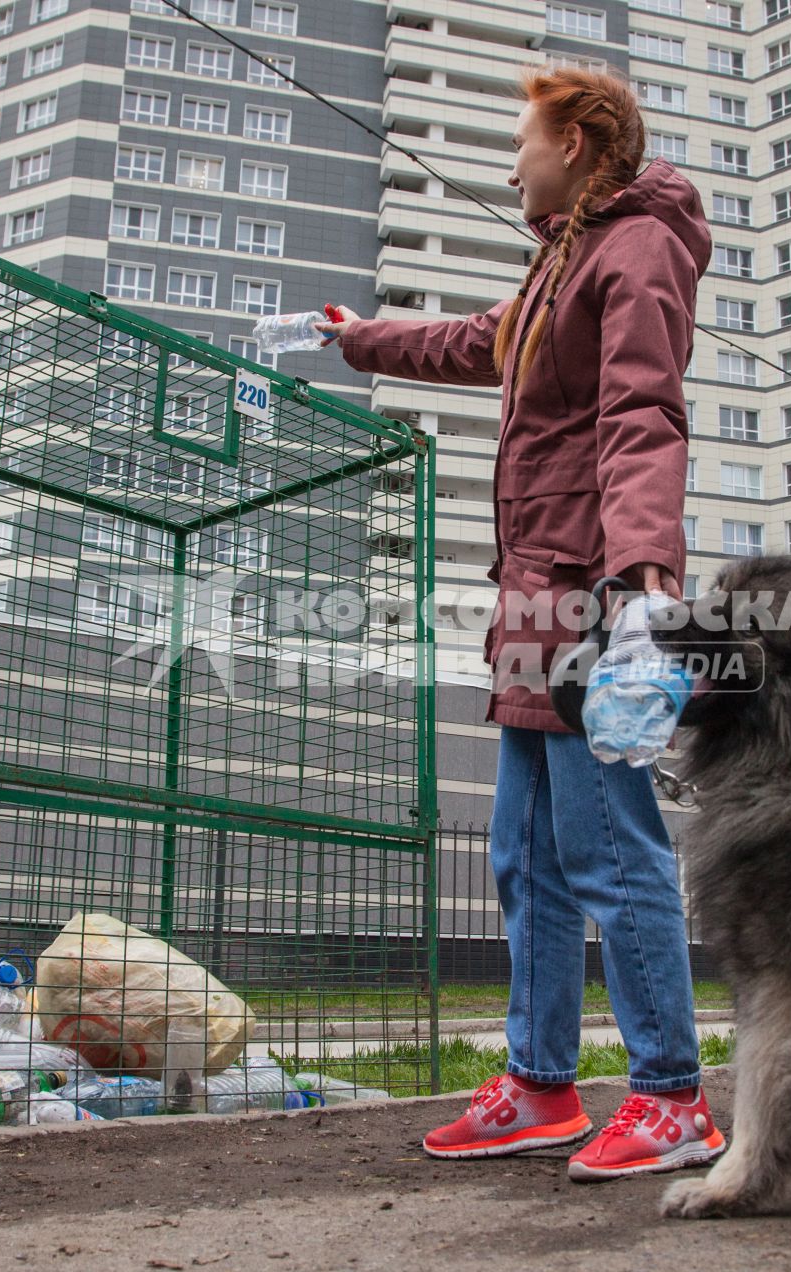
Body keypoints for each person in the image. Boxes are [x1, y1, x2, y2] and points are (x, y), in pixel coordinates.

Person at [318, 66, 720, 1182]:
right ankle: (542, 1083)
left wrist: (644, 584)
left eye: (525, 142)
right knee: (525, 857)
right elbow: (475, 342)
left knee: (605, 847)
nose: (511, 163)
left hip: (588, 595)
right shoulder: (561, 263)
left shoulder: (634, 252)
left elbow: (644, 415)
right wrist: (367, 340)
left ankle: (672, 1094)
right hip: (531, 596)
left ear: (580, 144)